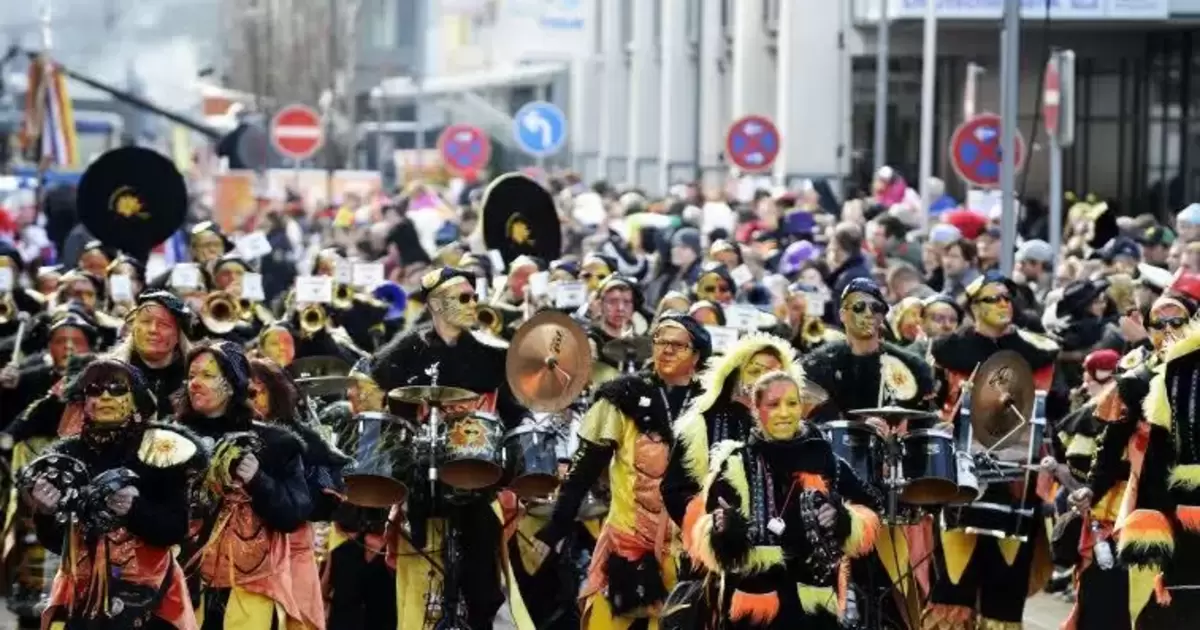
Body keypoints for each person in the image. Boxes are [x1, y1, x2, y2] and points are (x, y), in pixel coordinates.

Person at [366, 266, 533, 629]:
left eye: (475, 296)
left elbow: (514, 411)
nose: (474, 303)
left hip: (478, 470)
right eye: (464, 297)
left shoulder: (492, 354)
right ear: (437, 305)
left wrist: (528, 428)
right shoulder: (408, 351)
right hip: (421, 471)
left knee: (483, 585)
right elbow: (390, 403)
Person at [537, 313, 711, 628]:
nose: (666, 350)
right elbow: (583, 470)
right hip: (628, 544)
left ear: (697, 354)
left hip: (690, 550)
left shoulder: (713, 404)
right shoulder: (624, 397)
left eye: (677, 345)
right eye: (660, 341)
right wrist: (557, 526)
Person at [683, 370, 881, 629]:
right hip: (756, 609)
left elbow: (870, 505)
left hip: (813, 607)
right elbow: (711, 534)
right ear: (756, 409)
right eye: (773, 405)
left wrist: (842, 518)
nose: (784, 413)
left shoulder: (826, 460)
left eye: (792, 403)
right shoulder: (735, 462)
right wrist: (723, 529)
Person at [26, 358, 205, 630]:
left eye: (117, 389)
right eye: (95, 390)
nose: (106, 396)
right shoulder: (65, 456)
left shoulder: (162, 449)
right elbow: (56, 544)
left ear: (136, 399)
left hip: (149, 595)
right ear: (84, 401)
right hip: (83, 596)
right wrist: (45, 512)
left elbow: (174, 530)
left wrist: (134, 509)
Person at [924, 271, 1060, 628]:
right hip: (960, 480)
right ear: (973, 307)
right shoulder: (948, 350)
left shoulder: (1039, 352)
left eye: (1007, 298)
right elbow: (931, 403)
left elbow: (1052, 414)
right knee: (953, 585)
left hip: (1017, 484)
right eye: (993, 298)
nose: (1003, 304)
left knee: (1006, 588)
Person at [175, 340, 313, 630]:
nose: (195, 383)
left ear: (234, 382)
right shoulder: (171, 442)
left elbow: (294, 513)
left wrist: (258, 481)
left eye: (208, 375)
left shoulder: (276, 444)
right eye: (191, 376)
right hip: (186, 585)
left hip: (252, 590)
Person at [665, 333, 801, 539]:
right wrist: (710, 525)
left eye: (773, 373)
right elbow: (675, 489)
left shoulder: (797, 430)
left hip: (782, 551)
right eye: (755, 371)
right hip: (717, 552)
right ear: (736, 375)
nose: (762, 379)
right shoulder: (701, 424)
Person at [248, 358, 350, 630]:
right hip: (241, 557)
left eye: (256, 391)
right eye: (242, 392)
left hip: (292, 550)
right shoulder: (228, 433)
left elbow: (329, 494)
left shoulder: (303, 438)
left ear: (274, 393)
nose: (249, 400)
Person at [109, 291, 194, 416]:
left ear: (178, 335)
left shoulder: (195, 378)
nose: (153, 330)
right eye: (146, 321)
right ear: (133, 327)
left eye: (164, 324)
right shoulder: (106, 372)